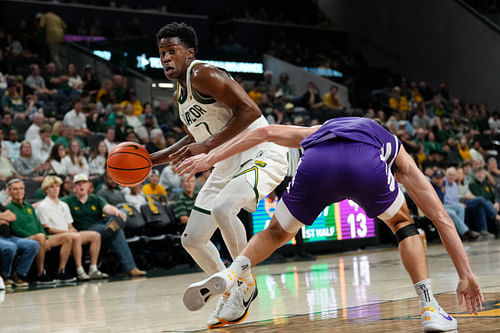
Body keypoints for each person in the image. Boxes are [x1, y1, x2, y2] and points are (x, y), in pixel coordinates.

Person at [179, 117, 484, 332]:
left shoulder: (322, 128)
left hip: (316, 164)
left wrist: (210, 157)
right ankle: (430, 308)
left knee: (275, 233)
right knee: (405, 225)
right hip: (365, 165)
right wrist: (465, 274)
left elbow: (266, 132)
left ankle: (234, 273)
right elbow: (441, 218)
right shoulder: (391, 143)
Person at [150, 22, 288, 328]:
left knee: (224, 208)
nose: (166, 59)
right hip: (225, 162)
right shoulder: (182, 95)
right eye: (161, 53)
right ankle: (228, 288)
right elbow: (192, 138)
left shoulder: (202, 73)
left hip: (261, 151)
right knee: (192, 239)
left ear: (189, 52)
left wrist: (207, 147)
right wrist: (149, 161)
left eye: (172, 51)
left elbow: (250, 111)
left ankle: (243, 284)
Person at [61, 174, 146, 276]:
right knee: (117, 230)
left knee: (122, 211)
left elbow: (107, 208)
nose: (81, 186)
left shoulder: (95, 198)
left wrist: (117, 213)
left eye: (83, 183)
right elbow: (50, 202)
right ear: (74, 187)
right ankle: (131, 268)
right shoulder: (68, 200)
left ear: (88, 185)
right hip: (86, 231)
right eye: (78, 184)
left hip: (101, 228)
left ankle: (113, 225)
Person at [35, 176, 108, 280]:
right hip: (53, 235)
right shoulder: (43, 206)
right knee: (74, 236)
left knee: (95, 235)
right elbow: (48, 229)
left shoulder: (64, 205)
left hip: (67, 232)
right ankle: (80, 270)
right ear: (46, 190)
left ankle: (93, 269)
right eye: (52, 187)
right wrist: (68, 232)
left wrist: (72, 229)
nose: (55, 189)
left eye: (57, 186)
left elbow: (70, 224)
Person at [7, 178, 75, 284]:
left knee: (68, 237)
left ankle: (61, 271)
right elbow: (15, 229)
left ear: (24, 191)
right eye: (15, 189)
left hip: (40, 237)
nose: (18, 191)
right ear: (10, 192)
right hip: (23, 238)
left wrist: (45, 237)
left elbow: (39, 225)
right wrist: (40, 237)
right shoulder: (9, 208)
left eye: (21, 188)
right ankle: (40, 273)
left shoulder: (29, 207)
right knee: (39, 237)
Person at [430, 169, 479, 241]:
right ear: (432, 178)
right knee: (452, 213)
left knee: (460, 208)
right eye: (437, 178)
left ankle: (459, 232)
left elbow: (453, 179)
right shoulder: (429, 185)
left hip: (443, 205)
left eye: (441, 178)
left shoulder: (443, 184)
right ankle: (465, 231)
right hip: (434, 207)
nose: (439, 181)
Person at [0, 202, 39, 288]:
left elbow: (12, 216)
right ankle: (4, 276)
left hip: (9, 237)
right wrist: (4, 218)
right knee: (10, 247)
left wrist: (3, 218)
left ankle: (18, 274)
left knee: (33, 245)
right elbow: (8, 217)